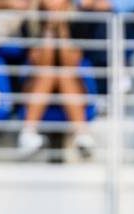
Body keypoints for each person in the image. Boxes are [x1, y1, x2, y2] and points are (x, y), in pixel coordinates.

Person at [16, 0, 96, 159]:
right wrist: (49, 32)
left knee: (63, 73)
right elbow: (41, 62)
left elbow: (71, 62)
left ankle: (82, 136)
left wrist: (62, 30)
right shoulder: (29, 23)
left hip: (71, 83)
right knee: (49, 72)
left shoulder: (79, 22)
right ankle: (28, 135)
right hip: (39, 83)